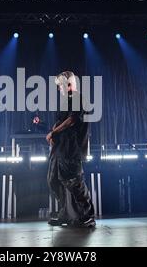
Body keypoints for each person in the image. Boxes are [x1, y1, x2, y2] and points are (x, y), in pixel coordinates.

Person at [46, 71, 95, 228]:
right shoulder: (65, 101)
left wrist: (54, 132)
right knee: (53, 180)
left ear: (68, 85)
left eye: (60, 85)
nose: (59, 88)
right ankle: (66, 214)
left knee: (74, 182)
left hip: (72, 149)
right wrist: (53, 133)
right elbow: (60, 121)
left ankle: (88, 215)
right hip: (60, 148)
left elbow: (72, 120)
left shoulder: (78, 98)